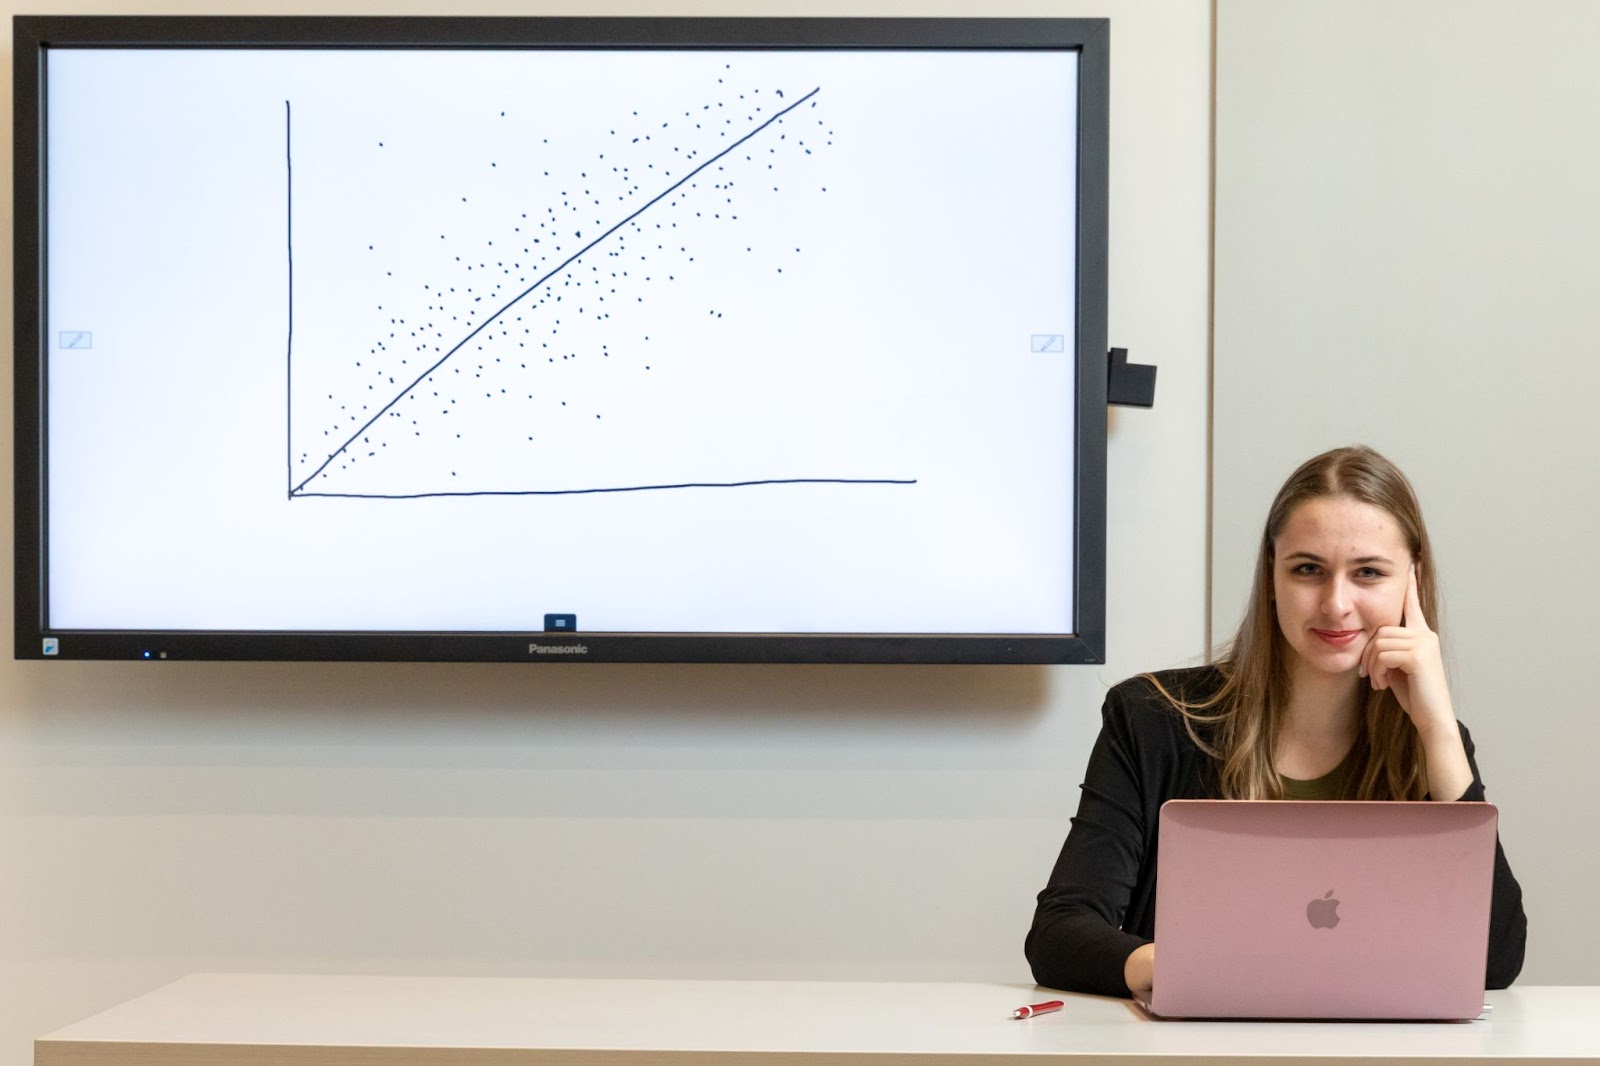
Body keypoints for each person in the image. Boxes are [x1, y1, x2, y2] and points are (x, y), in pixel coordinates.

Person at [1025, 445, 1527, 997]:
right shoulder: (1152, 719)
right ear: (1271, 576)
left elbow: (1496, 960)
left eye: (1369, 573)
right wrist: (1188, 968)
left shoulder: (1433, 747)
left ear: (1412, 581)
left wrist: (1438, 728)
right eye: (1308, 569)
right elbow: (1060, 934)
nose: (1336, 604)